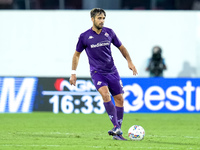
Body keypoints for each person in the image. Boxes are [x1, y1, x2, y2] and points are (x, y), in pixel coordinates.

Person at [69, 8, 138, 141]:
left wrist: (130, 62)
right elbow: (76, 55)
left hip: (112, 71)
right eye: (99, 18)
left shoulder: (109, 32)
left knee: (120, 99)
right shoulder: (84, 36)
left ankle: (118, 133)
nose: (102, 21)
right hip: (97, 72)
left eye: (103, 18)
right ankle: (116, 126)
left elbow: (122, 48)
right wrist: (73, 73)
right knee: (105, 94)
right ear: (92, 19)